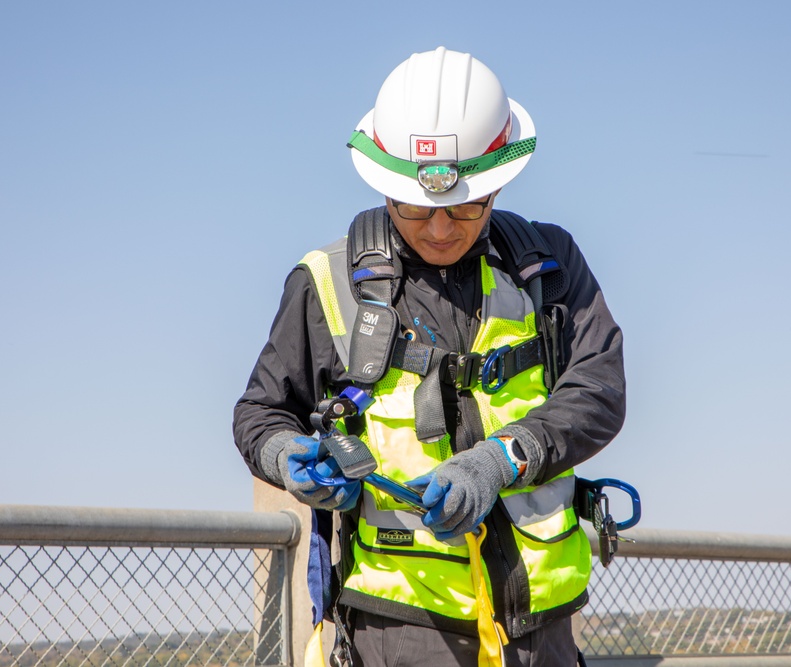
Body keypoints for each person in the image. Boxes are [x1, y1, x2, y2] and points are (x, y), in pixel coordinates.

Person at [233, 46, 626, 667]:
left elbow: (599, 391)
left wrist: (500, 461)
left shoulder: (547, 267)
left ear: (498, 182)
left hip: (543, 628)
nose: (440, 229)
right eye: (414, 207)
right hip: (399, 631)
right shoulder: (326, 283)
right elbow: (260, 414)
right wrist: (287, 458)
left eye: (466, 205)